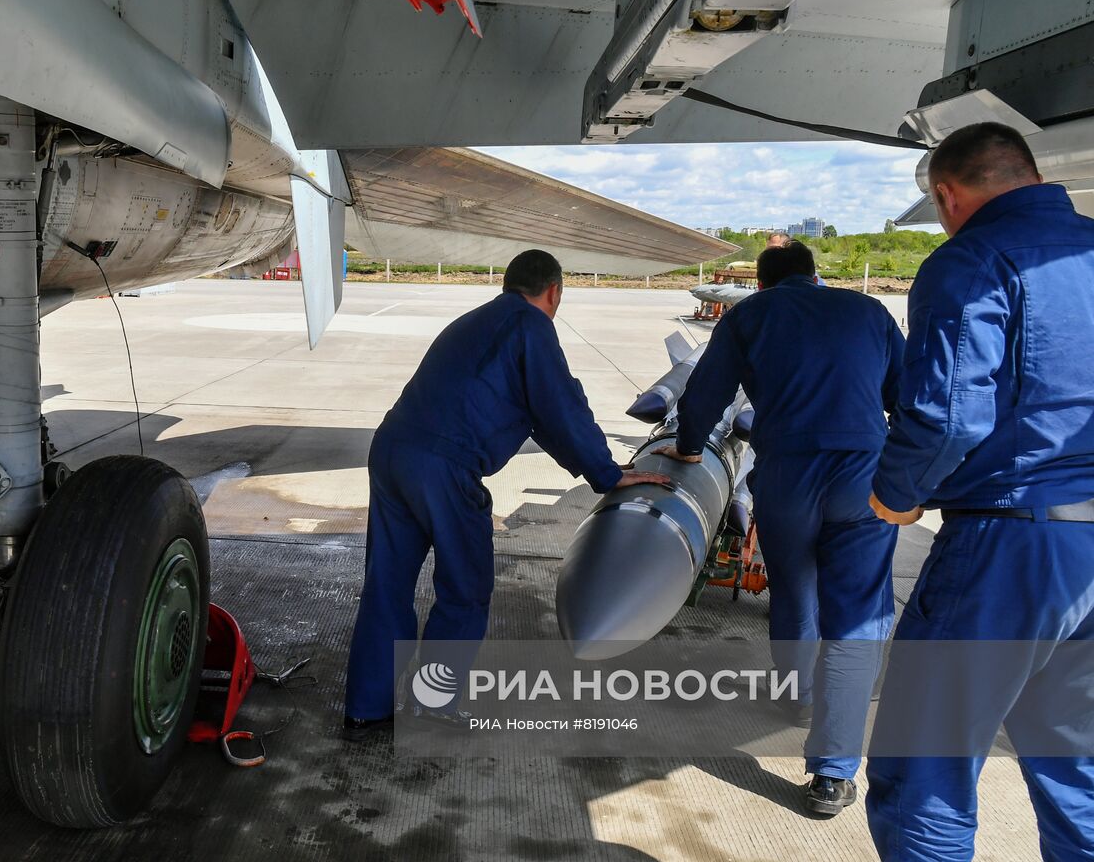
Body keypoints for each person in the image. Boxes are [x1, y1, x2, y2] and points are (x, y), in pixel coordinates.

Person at [867, 122, 1094, 861]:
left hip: (1010, 549)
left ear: (947, 193)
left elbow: (947, 417)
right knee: (1078, 771)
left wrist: (897, 493)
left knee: (923, 768)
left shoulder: (970, 260)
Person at [342, 249, 666, 740]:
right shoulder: (531, 327)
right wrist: (608, 474)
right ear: (554, 292)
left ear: (507, 284)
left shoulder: (476, 321)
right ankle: (433, 703)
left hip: (390, 452)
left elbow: (542, 416)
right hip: (443, 465)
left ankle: (366, 709)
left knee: (387, 585)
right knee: (466, 587)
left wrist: (596, 469)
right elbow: (561, 407)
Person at [661, 239, 905, 815]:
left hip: (787, 476)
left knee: (794, 591)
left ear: (764, 283)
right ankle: (832, 774)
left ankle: (796, 696)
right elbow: (908, 396)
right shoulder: (869, 310)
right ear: (816, 276)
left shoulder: (749, 314)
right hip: (863, 477)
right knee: (859, 615)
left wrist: (691, 450)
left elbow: (705, 394)